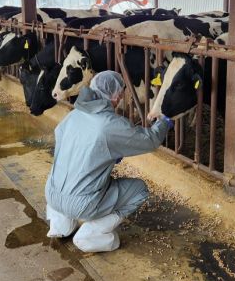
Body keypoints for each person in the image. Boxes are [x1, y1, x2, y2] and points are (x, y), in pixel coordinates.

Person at [44, 70, 173, 252]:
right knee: (139, 190)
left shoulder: (72, 116)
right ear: (118, 95)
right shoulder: (109, 124)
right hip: (83, 205)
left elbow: (68, 148)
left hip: (52, 195)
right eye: (121, 94)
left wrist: (104, 156)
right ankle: (90, 233)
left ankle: (60, 226)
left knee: (68, 181)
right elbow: (149, 140)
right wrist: (165, 121)